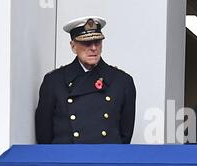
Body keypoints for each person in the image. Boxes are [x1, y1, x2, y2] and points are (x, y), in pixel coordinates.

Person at [35, 16, 136, 144]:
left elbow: (125, 136)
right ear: (73, 46)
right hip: (67, 160)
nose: (93, 48)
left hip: (105, 160)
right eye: (86, 43)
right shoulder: (54, 82)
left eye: (97, 42)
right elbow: (44, 137)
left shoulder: (122, 82)